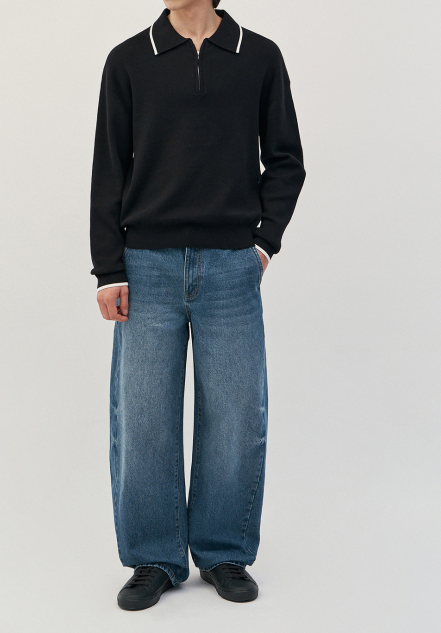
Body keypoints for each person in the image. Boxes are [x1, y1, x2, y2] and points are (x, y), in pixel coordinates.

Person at [90, 0, 306, 611]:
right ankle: (154, 557)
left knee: (236, 414)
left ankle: (224, 551)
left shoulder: (258, 56)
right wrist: (109, 268)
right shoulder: (129, 60)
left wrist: (263, 243)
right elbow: (109, 166)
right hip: (146, 268)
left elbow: (286, 159)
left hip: (231, 266)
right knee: (144, 419)